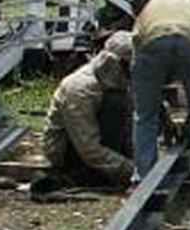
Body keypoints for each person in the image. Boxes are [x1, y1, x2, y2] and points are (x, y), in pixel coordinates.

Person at [131, 0, 190, 185]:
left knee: (145, 116)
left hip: (152, 41)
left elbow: (137, 57)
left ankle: (144, 179)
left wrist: (151, 92)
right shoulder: (187, 3)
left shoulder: (144, 15)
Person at [40, 31, 135, 189]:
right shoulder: (80, 89)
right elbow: (89, 148)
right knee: (116, 103)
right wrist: (131, 170)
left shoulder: (115, 82)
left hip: (92, 149)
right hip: (68, 152)